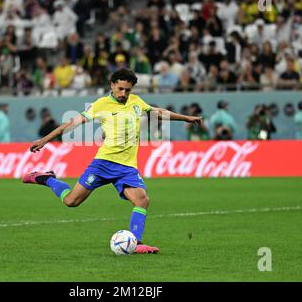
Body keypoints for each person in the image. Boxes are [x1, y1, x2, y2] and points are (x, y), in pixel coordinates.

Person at [22, 68, 202, 254]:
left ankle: (136, 243)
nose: (124, 94)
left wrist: (186, 118)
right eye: (120, 89)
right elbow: (69, 124)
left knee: (142, 200)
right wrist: (43, 141)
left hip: (127, 167)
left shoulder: (136, 102)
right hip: (104, 163)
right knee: (71, 201)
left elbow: (158, 112)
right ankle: (46, 178)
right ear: (112, 85)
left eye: (128, 90)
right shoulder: (100, 105)